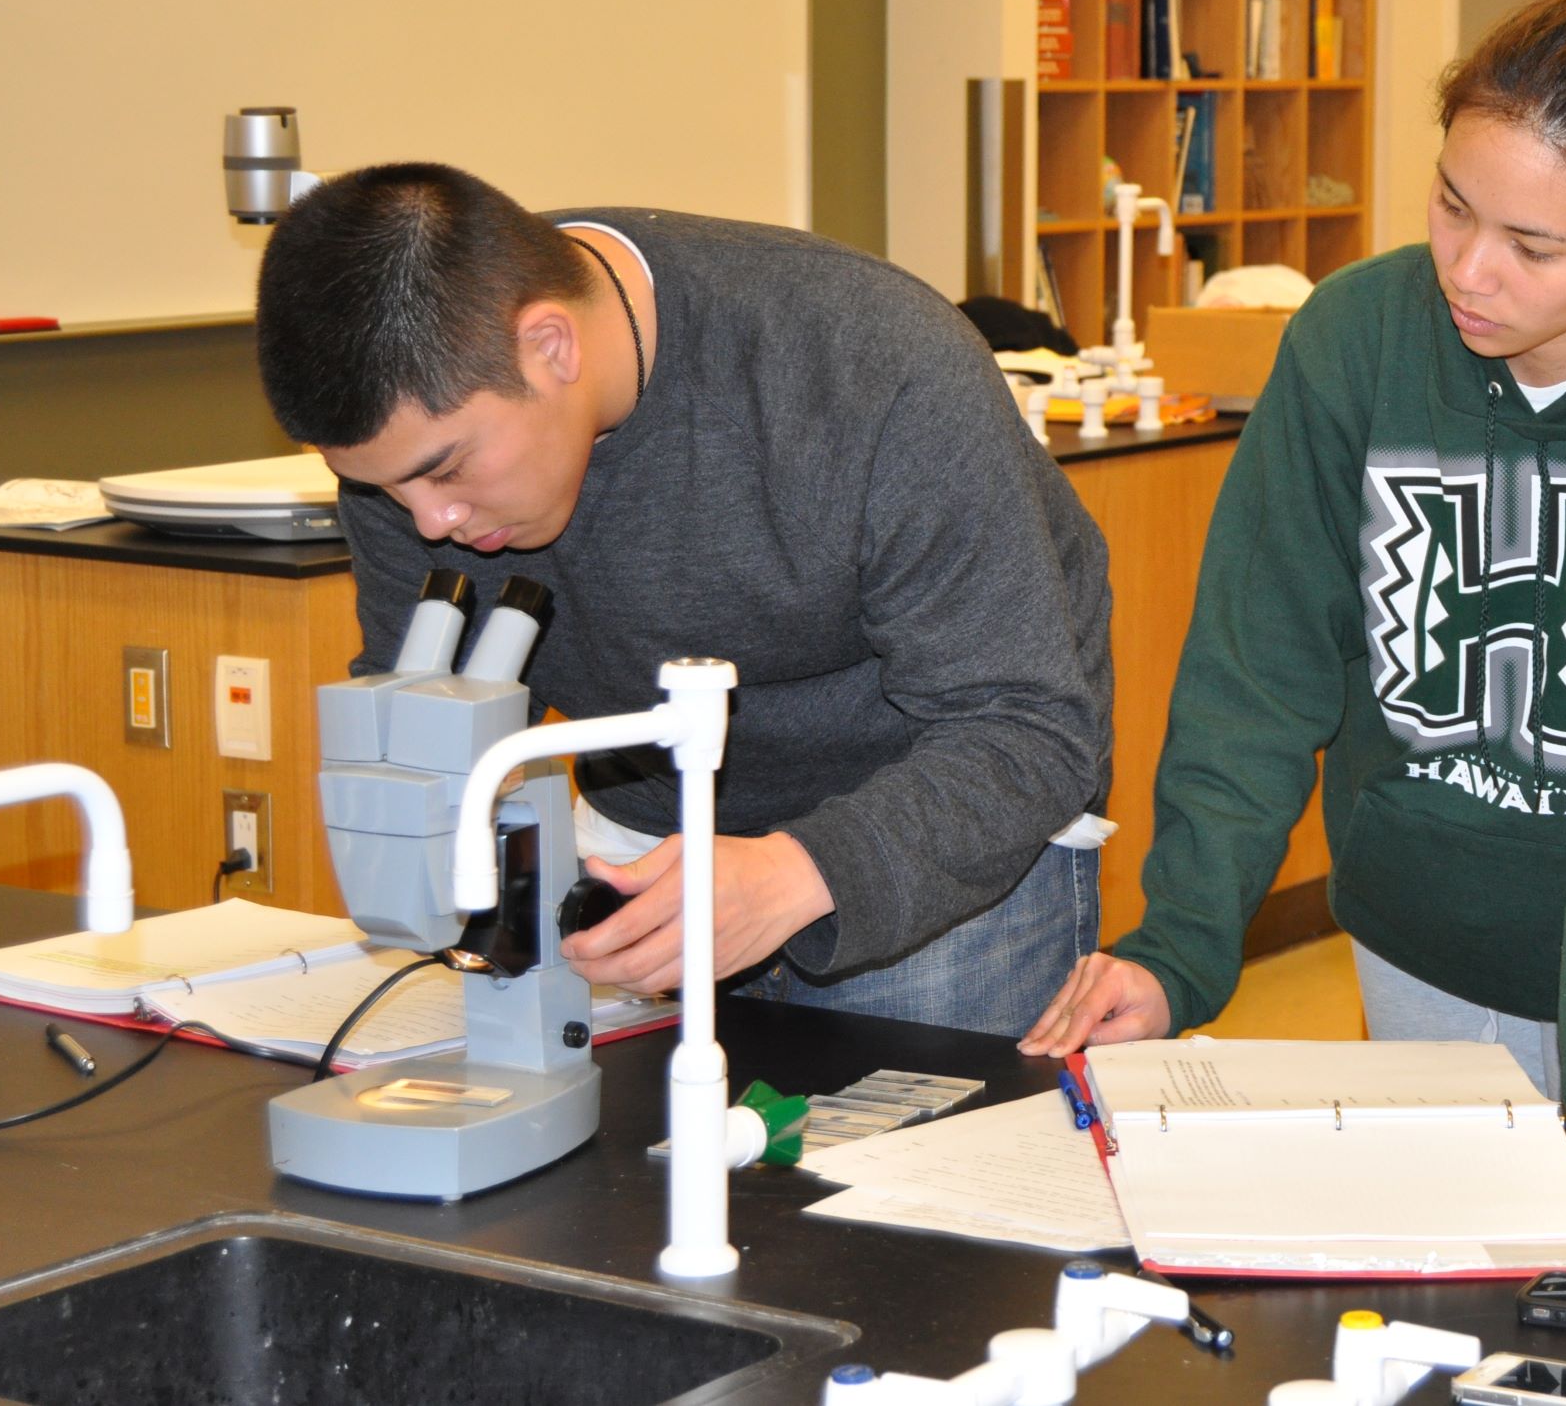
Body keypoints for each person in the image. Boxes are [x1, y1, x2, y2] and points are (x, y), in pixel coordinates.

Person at [1019, 0, 1566, 1143]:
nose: (1469, 270)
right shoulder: (1357, 341)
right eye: (1453, 207)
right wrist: (1181, 944)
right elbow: (1256, 671)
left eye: (1534, 246)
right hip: (1418, 945)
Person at [254, 171, 1113, 1037]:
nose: (429, 520)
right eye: (382, 488)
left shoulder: (869, 367)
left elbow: (1028, 726)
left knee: (915, 1165)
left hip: (929, 836)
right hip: (650, 830)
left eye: (446, 470)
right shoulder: (414, 439)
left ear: (551, 347)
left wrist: (791, 875)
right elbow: (423, 709)